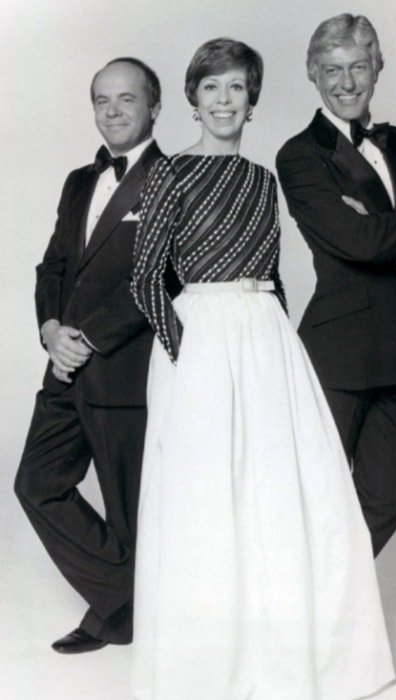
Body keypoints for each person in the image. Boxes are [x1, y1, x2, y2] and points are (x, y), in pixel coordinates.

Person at [131, 37, 394, 700]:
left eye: (237, 88)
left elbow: (273, 275)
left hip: (265, 336)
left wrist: (280, 343)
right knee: (206, 496)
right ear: (193, 98)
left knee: (280, 491)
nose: (225, 100)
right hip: (198, 338)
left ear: (253, 100)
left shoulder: (264, 181)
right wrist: (184, 353)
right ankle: (208, 671)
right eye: (212, 87)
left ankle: (283, 662)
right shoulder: (169, 173)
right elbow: (144, 280)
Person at [276, 14, 396, 557]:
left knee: (387, 501)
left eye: (359, 66)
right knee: (316, 497)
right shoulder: (300, 155)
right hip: (339, 355)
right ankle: (300, 619)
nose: (347, 82)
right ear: (313, 74)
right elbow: (355, 241)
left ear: (377, 68)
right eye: (332, 70)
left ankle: (333, 607)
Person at [14, 57, 174, 654]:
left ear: (154, 106)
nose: (112, 111)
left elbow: (160, 277)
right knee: (37, 483)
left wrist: (88, 338)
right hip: (63, 365)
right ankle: (126, 599)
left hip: (123, 370)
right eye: (102, 100)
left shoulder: (171, 178)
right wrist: (52, 329)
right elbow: (53, 265)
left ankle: (122, 614)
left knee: (128, 506)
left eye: (126, 99)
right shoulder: (79, 179)